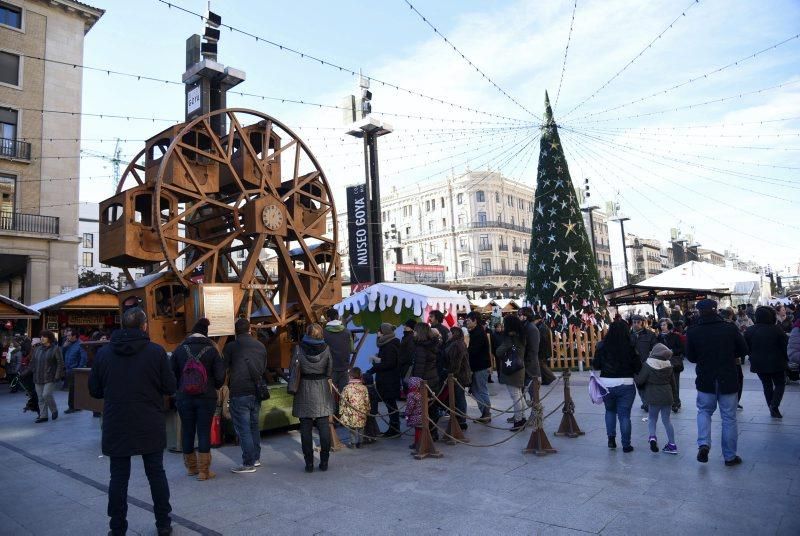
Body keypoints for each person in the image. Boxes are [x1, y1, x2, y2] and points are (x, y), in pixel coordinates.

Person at [88, 307, 176, 536]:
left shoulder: (104, 354)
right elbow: (170, 387)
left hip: (116, 421)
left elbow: (95, 390)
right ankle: (163, 524)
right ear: (144, 326)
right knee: (156, 473)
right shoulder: (156, 352)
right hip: (149, 420)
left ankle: (117, 528)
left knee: (118, 477)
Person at [686, 299, 748, 466]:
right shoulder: (729, 328)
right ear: (716, 310)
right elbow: (743, 350)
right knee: (729, 417)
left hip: (706, 379)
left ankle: (704, 444)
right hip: (728, 378)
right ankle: (729, 456)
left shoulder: (693, 331)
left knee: (704, 412)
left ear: (698, 312)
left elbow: (691, 357)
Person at [171, 318, 225, 480]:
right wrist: (211, 385)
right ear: (205, 333)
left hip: (184, 397)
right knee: (203, 431)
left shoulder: (179, 349)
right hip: (206, 397)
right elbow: (220, 377)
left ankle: (191, 468)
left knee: (187, 430)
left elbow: (170, 373)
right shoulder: (212, 350)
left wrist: (180, 388)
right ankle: (204, 471)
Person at [223, 318, 268, 474]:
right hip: (256, 391)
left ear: (236, 331)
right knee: (254, 426)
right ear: (250, 330)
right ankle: (255, 458)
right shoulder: (261, 346)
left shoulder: (231, 347)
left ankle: (248, 463)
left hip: (239, 391)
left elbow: (224, 368)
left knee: (243, 428)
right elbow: (263, 368)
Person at [291, 323, 335, 473]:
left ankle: (309, 464)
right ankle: (324, 462)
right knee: (323, 427)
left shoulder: (298, 348)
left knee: (305, 429)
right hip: (321, 388)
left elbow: (293, 370)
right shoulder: (327, 348)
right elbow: (329, 370)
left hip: (304, 388)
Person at [593, 320, 640, 452]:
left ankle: (611, 440)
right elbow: (638, 367)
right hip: (626, 383)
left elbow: (596, 365)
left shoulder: (602, 345)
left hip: (607, 383)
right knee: (624, 415)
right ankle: (626, 445)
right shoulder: (630, 345)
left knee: (609, 411)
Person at [745, 306, 789, 419]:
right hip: (777, 362)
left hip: (758, 363)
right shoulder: (776, 329)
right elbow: (785, 347)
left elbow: (747, 348)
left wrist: (752, 356)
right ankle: (774, 405)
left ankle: (771, 406)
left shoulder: (750, 330)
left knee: (766, 385)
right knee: (780, 383)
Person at [635, 343, 678, 454]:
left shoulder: (648, 364)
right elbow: (673, 384)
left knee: (652, 418)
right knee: (667, 420)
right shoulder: (669, 365)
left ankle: (653, 438)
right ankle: (672, 445)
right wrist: (675, 400)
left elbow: (640, 380)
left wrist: (634, 375)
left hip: (653, 396)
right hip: (667, 396)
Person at [366, 322, 401, 437]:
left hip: (389, 379)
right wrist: (372, 369)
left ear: (384, 332)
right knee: (390, 404)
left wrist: (376, 362)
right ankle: (393, 428)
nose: (377, 333)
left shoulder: (390, 345)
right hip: (386, 379)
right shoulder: (387, 344)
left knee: (391, 405)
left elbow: (389, 363)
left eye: (379, 330)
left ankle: (395, 429)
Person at [495, 315, 528, 432]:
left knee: (515, 396)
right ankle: (523, 418)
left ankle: (518, 421)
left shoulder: (510, 338)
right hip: (519, 367)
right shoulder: (521, 335)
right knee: (519, 394)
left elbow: (499, 351)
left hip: (512, 369)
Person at [411, 322, 441, 440]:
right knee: (432, 408)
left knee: (423, 410)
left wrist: (415, 384)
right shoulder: (432, 344)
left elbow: (419, 367)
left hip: (424, 382)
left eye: (415, 331)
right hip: (433, 379)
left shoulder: (421, 348)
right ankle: (433, 433)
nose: (413, 333)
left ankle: (426, 436)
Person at [27, 330, 64, 423]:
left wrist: (57, 375)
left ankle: (54, 410)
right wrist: (25, 372)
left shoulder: (56, 349)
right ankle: (43, 416)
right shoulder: (37, 349)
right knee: (40, 397)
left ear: (49, 338)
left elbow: (60, 363)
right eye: (41, 337)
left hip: (50, 377)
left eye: (44, 336)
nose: (42, 338)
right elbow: (32, 363)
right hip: (38, 376)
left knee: (46, 394)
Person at [322, 308, 353, 411]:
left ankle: (332, 417)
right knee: (344, 393)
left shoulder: (324, 333)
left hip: (330, 368)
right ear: (338, 317)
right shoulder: (347, 332)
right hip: (344, 367)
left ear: (328, 318)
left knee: (329, 394)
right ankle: (344, 416)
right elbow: (352, 349)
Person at [465, 312, 492, 423]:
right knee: (476, 390)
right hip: (478, 366)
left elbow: (473, 351)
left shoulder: (478, 333)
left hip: (480, 366)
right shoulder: (475, 332)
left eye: (468, 320)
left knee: (480, 390)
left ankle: (486, 413)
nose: (466, 322)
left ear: (475, 320)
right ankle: (484, 413)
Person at [444, 326, 471, 430]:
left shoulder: (456, 345)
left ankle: (461, 420)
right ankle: (459, 418)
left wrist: (450, 373)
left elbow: (456, 363)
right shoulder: (458, 343)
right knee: (459, 397)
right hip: (459, 375)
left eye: (450, 333)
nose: (448, 334)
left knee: (459, 398)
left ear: (454, 334)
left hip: (458, 376)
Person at [657, 319, 684, 413]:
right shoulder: (658, 338)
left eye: (664, 325)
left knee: (675, 384)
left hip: (674, 364)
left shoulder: (675, 336)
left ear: (669, 326)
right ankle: (670, 401)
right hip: (662, 364)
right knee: (665, 385)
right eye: (661, 325)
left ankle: (675, 402)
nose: (662, 327)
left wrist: (672, 351)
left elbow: (681, 349)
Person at [630, 315, 657, 411]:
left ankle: (648, 402)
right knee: (639, 384)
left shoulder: (650, 334)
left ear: (642, 323)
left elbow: (655, 348)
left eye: (638, 322)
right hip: (634, 364)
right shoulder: (628, 335)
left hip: (647, 363)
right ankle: (645, 403)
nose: (636, 324)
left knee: (648, 384)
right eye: (634, 322)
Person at [338, 367, 369, 448]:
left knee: (352, 429)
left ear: (350, 376)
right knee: (361, 428)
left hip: (351, 412)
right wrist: (368, 410)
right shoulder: (364, 387)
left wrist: (341, 412)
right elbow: (367, 400)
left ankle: (353, 444)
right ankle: (361, 443)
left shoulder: (347, 388)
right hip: (362, 412)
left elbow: (343, 401)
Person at [62, 328, 88, 414]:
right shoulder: (68, 344)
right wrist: (64, 347)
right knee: (72, 388)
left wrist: (78, 368)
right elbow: (63, 355)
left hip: (75, 370)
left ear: (74, 336)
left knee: (73, 389)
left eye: (69, 335)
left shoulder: (80, 344)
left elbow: (83, 358)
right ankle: (76, 406)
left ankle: (72, 406)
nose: (67, 337)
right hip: (68, 369)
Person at [518, 307, 542, 385]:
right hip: (524, 363)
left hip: (530, 365)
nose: (519, 317)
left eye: (520, 314)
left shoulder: (531, 328)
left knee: (533, 391)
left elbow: (533, 350)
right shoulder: (524, 326)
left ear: (526, 315)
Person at [533, 311, 556, 385]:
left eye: (535, 320)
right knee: (542, 364)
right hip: (544, 350)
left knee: (541, 364)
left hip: (542, 350)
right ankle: (546, 380)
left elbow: (542, 340)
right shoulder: (542, 326)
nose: (534, 322)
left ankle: (551, 377)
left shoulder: (541, 327)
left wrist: (539, 349)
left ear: (538, 320)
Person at [404, 376, 424, 451]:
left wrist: (406, 414)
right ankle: (419, 443)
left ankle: (417, 444)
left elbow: (410, 407)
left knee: (417, 431)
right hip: (422, 416)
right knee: (419, 430)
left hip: (415, 416)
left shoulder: (411, 395)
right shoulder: (421, 394)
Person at [398, 319, 416, 393]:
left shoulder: (410, 337)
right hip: (404, 365)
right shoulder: (407, 336)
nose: (404, 327)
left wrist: (401, 361)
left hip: (407, 366)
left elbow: (409, 353)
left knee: (407, 387)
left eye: (406, 325)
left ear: (410, 327)